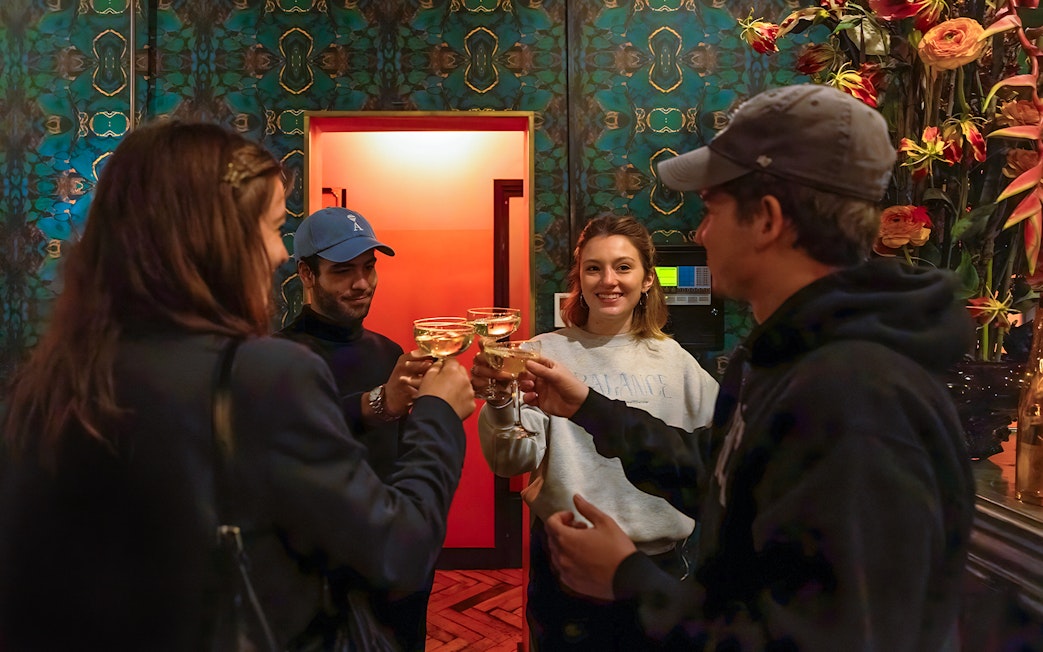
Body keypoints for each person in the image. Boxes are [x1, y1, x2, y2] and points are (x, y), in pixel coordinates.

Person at [522, 84, 976, 651]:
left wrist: (630, 582)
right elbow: (720, 475)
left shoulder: (856, 397)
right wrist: (587, 407)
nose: (699, 233)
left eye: (711, 210)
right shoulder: (784, 355)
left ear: (766, 220)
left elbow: (817, 640)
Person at [0, 120, 474, 651]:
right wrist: (437, 413)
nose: (277, 255)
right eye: (271, 228)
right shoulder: (264, 372)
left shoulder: (46, 384)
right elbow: (399, 551)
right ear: (216, 238)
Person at [471, 214, 719, 649]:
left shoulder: (676, 361)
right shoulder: (540, 353)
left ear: (647, 279)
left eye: (623, 267)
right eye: (593, 268)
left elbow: (720, 461)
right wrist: (498, 402)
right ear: (579, 279)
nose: (608, 280)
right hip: (567, 569)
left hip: (658, 567)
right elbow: (510, 461)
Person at [279, 206, 435, 651]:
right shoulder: (278, 357)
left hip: (394, 566)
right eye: (343, 271)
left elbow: (404, 456)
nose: (362, 283)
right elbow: (293, 442)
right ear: (307, 274)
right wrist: (376, 403)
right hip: (318, 575)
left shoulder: (390, 352)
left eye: (369, 267)